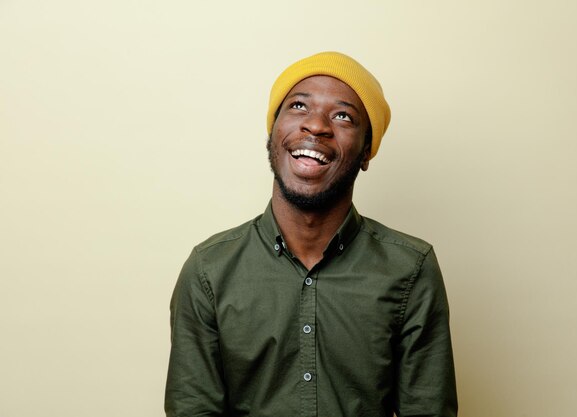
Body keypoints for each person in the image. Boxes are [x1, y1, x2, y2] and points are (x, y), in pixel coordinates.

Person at [165, 51, 458, 417]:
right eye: (299, 106)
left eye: (343, 116)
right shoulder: (209, 270)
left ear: (366, 151)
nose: (316, 125)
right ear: (273, 133)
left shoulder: (410, 269)